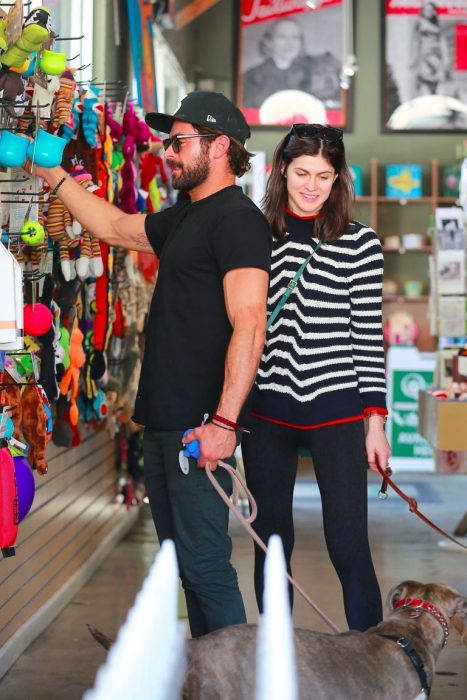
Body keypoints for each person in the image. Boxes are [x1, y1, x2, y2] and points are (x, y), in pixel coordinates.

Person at [25, 91, 271, 637]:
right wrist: (52, 175)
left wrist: (224, 424)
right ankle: (207, 680)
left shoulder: (236, 221)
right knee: (183, 565)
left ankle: (229, 685)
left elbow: (251, 322)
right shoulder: (188, 215)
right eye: (168, 141)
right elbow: (114, 229)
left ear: (220, 145)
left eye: (179, 142)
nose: (169, 153)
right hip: (166, 422)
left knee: (205, 567)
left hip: (201, 425)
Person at [241, 123, 391, 632]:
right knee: (271, 542)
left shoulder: (361, 243)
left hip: (337, 411)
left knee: (348, 544)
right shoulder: (256, 236)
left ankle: (375, 660)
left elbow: (366, 337)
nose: (311, 186)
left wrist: (376, 423)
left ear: (338, 178)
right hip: (266, 413)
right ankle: (276, 655)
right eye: (302, 172)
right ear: (282, 169)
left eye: (324, 176)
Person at [242, 18, 341, 111]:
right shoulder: (251, 77)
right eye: (282, 36)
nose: (289, 43)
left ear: (301, 42)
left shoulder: (318, 68)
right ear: (269, 41)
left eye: (295, 37)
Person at [409, 0, 451, 98]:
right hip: (425, 55)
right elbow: (415, 41)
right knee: (425, 78)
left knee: (440, 77)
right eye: (427, 10)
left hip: (436, 54)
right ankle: (425, 98)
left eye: (431, 10)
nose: (429, 12)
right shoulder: (419, 23)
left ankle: (441, 99)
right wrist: (413, 58)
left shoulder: (438, 25)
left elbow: (442, 41)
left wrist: (446, 57)